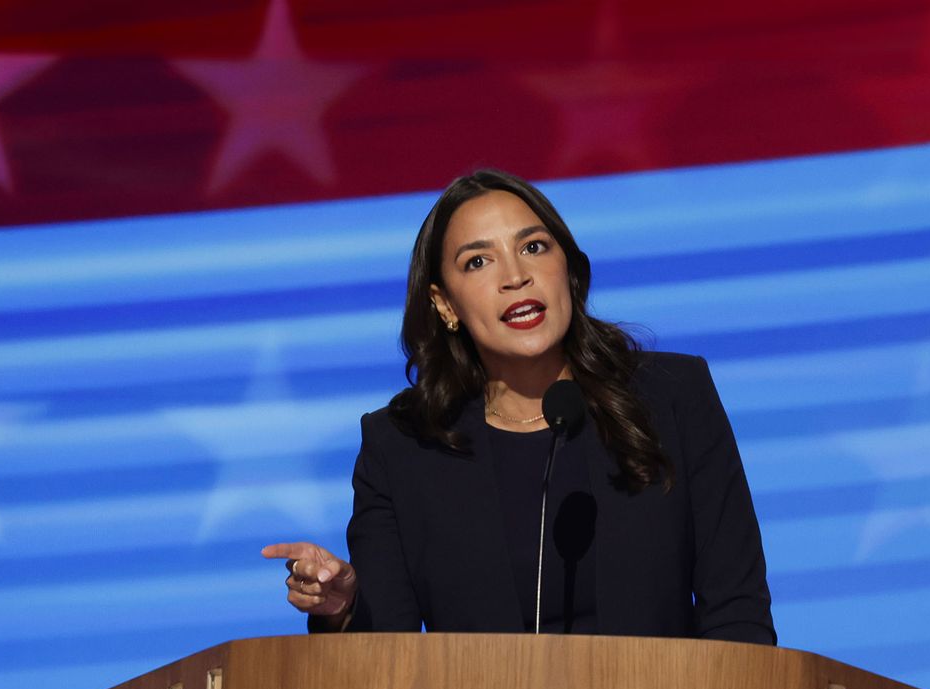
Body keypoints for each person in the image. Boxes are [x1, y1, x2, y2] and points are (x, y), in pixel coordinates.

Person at [262, 169, 776, 645]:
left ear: (568, 269)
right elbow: (389, 662)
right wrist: (344, 607)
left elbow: (737, 613)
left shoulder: (673, 396)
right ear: (444, 305)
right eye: (478, 261)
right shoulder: (401, 446)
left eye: (533, 247)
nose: (515, 276)